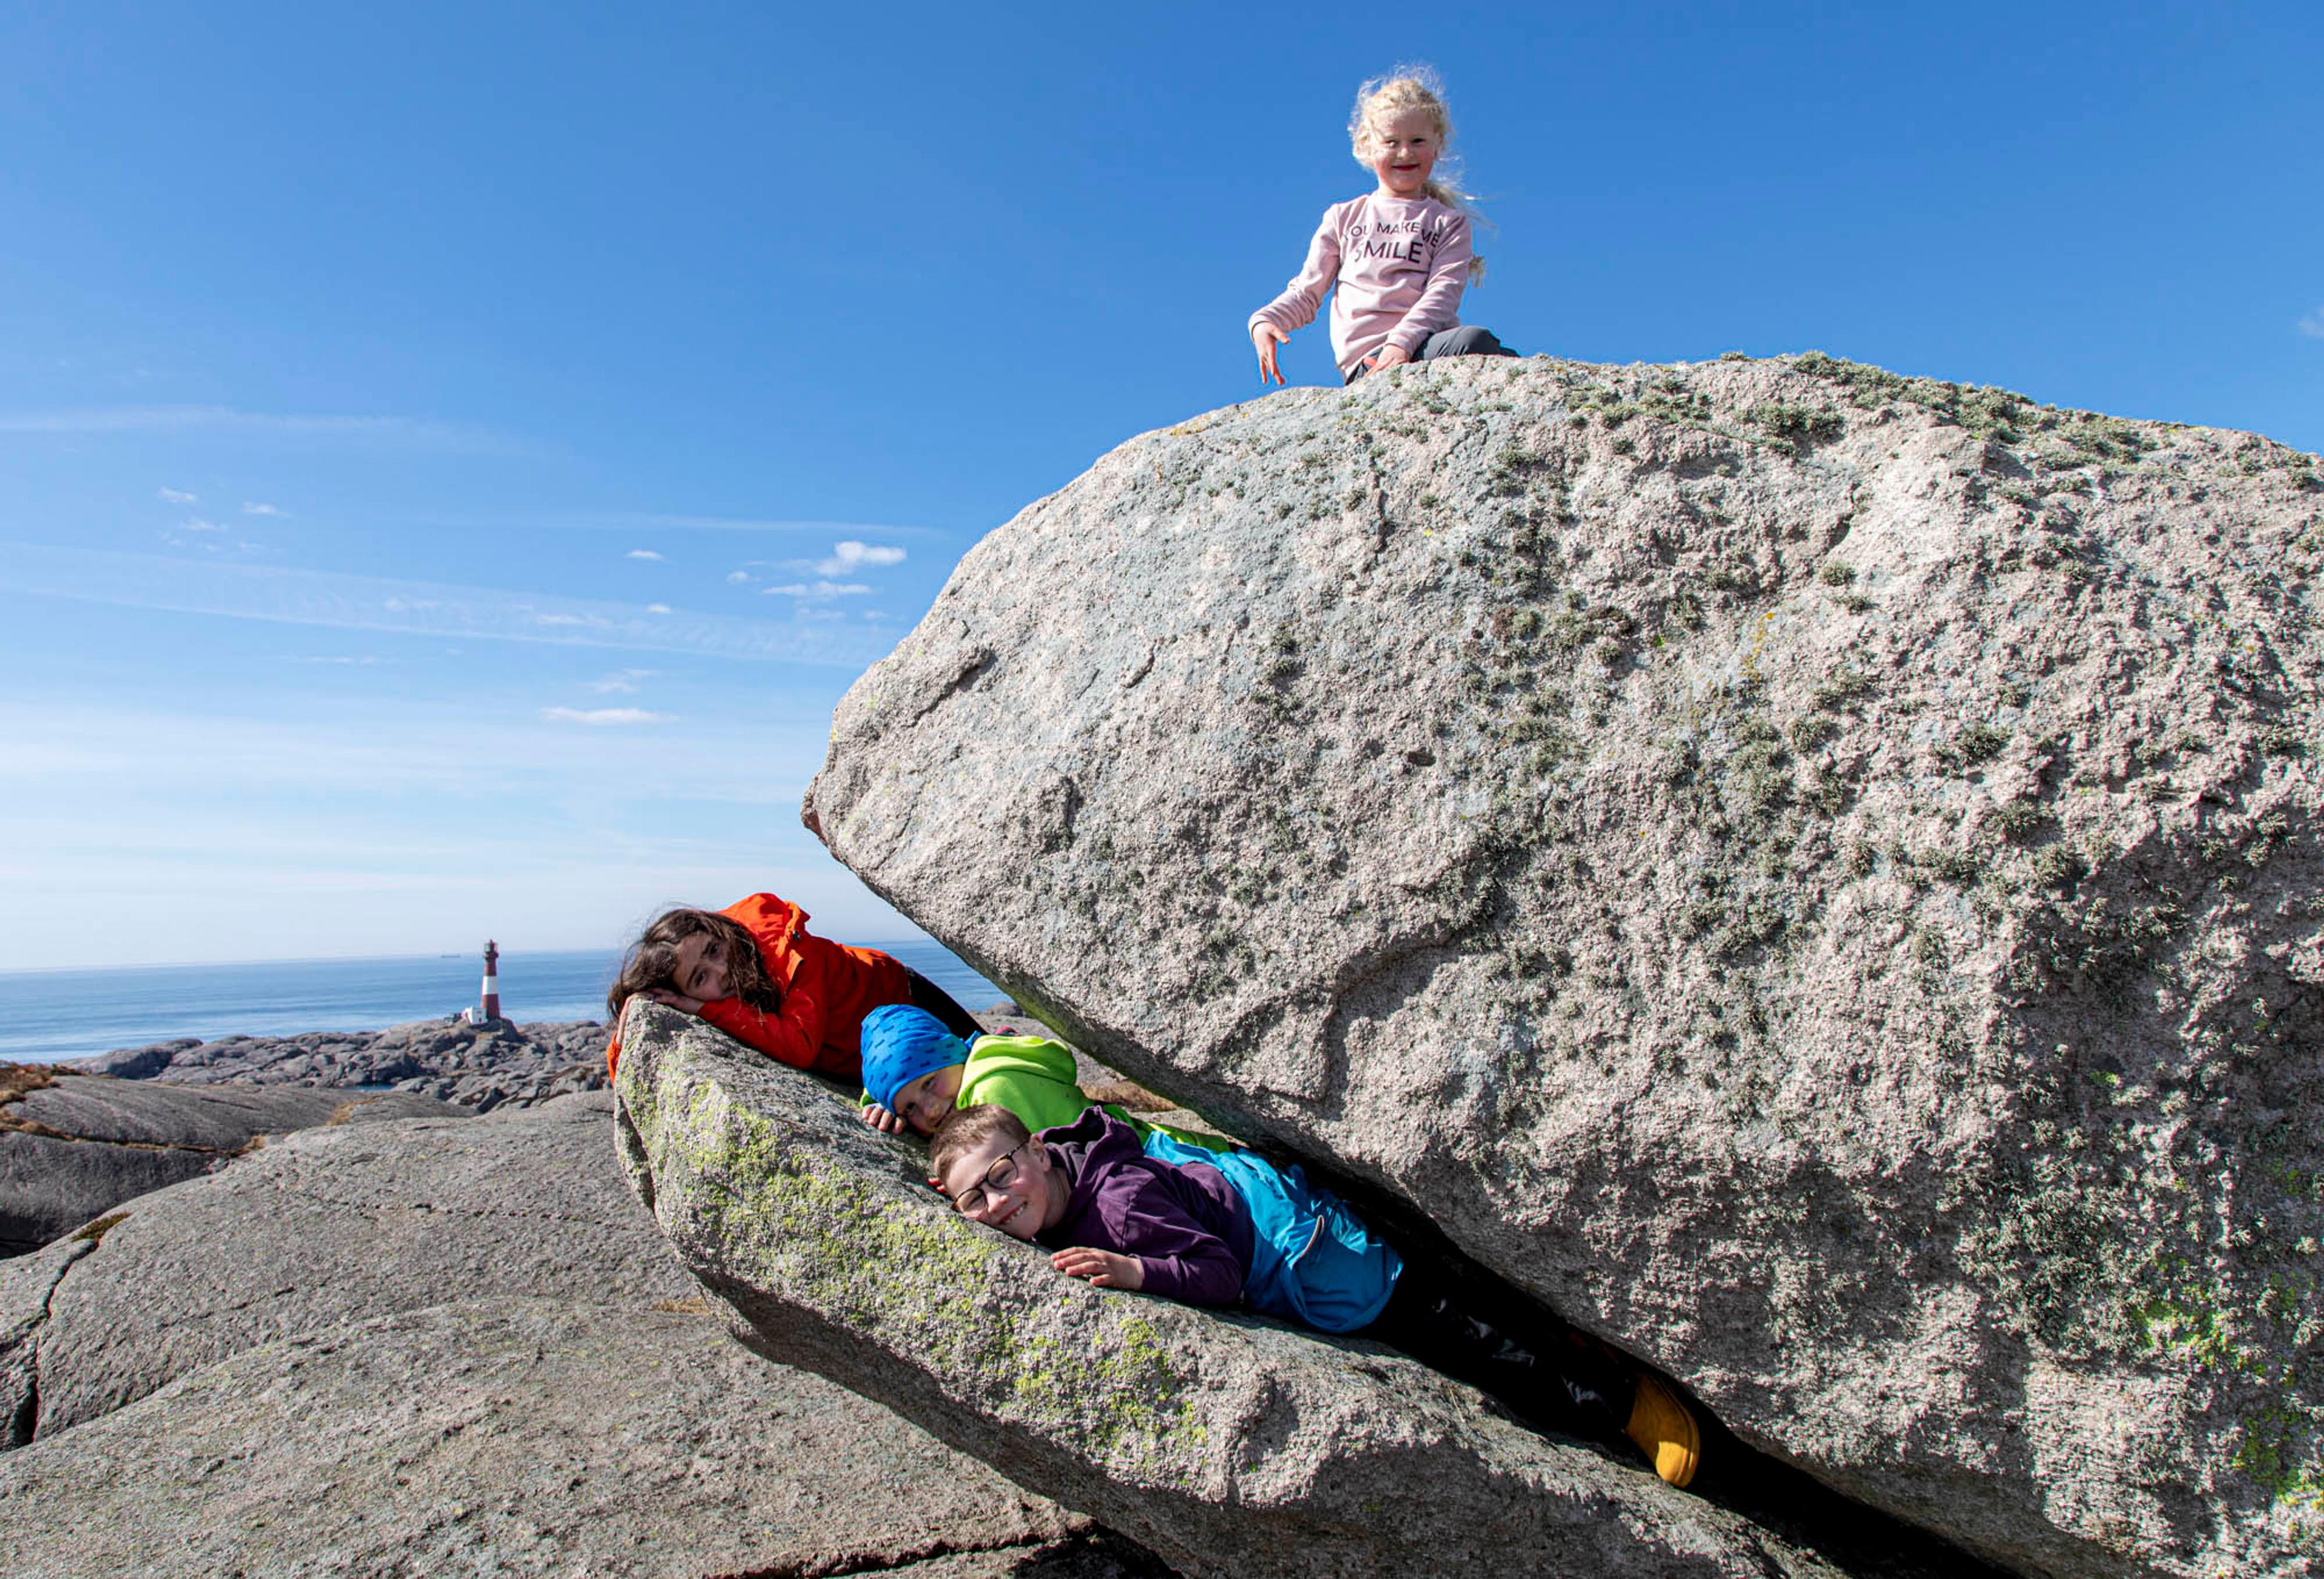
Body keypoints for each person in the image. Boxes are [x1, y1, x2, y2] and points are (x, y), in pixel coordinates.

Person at [929, 1102, 1706, 1488]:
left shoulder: (1120, 1205)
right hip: (1283, 1211)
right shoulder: (1067, 1162)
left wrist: (1137, 1273)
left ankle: (1624, 1402)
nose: (997, 1201)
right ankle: (1576, 1343)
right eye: (973, 1199)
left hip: (1314, 1259)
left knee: (1475, 1345)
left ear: (1035, 1148)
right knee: (1465, 1302)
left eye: (1002, 1174)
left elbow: (1220, 1275)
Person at [1249, 68, 1517, 387]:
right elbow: (1308, 291)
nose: (1405, 153)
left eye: (1417, 141)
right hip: (1370, 364)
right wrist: (1266, 320)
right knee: (1478, 343)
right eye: (1392, 142)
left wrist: (1401, 342)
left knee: (1487, 348)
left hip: (1424, 346)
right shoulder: (1344, 218)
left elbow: (1442, 296)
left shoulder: (1448, 223)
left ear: (1438, 145)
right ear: (1366, 146)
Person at [603, 894, 979, 1081]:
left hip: (907, 1003)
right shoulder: (709, 995)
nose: (722, 970)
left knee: (990, 1061)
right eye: (700, 978)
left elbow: (799, 1046)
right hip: (860, 1061)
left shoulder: (788, 948)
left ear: (719, 931)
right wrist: (633, 1020)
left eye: (714, 950)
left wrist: (703, 1007)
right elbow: (628, 1074)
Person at [857, 1003, 1233, 1154]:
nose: (932, 1110)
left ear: (953, 1053)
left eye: (929, 1084)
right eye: (910, 1108)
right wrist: (878, 1104)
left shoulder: (993, 1090)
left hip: (1168, 1158)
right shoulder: (972, 1066)